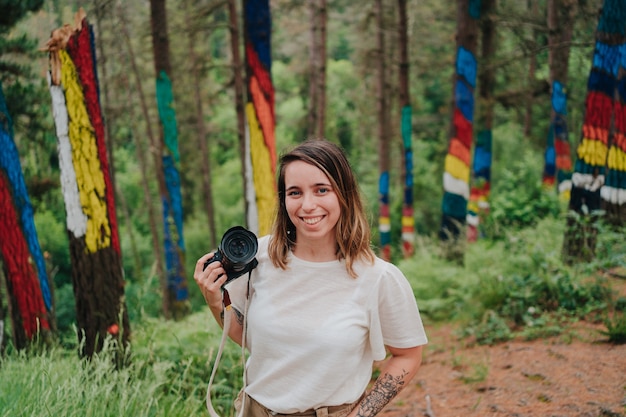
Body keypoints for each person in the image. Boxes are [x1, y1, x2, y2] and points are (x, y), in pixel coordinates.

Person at [194, 139, 428, 417]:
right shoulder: (260, 259)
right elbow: (247, 337)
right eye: (295, 192)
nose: (307, 205)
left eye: (321, 190)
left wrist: (361, 415)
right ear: (284, 200)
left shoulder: (378, 278)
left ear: (344, 194)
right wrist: (215, 301)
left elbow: (408, 355)